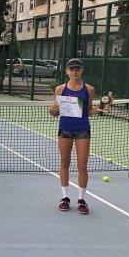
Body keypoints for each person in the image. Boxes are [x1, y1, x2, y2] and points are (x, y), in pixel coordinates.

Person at [48, 58, 99, 215]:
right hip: (65, 129)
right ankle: (65, 198)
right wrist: (52, 111)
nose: (74, 71)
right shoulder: (59, 89)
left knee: (82, 165)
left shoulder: (89, 89)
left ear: (81, 70)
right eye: (71, 69)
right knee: (64, 163)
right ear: (67, 71)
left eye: (77, 69)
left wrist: (100, 110)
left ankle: (81, 200)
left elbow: (88, 110)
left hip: (83, 129)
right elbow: (55, 111)